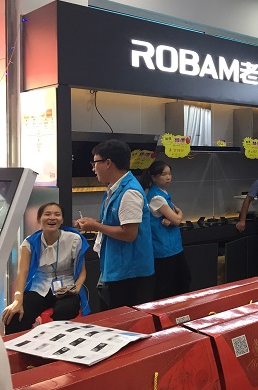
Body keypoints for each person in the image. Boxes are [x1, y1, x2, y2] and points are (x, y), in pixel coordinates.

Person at [77, 139, 154, 309]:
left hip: (130, 274)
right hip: (117, 268)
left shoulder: (129, 192)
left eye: (95, 163)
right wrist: (94, 222)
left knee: (126, 319)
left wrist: (96, 227)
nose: (93, 168)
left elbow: (129, 234)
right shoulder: (115, 188)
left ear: (108, 163)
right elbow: (117, 222)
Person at [2, 203, 89, 335]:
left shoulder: (74, 240)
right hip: (39, 287)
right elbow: (22, 272)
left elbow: (82, 272)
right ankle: (20, 347)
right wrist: (17, 300)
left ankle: (56, 344)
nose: (52, 218)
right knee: (15, 316)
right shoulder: (30, 243)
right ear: (39, 219)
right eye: (47, 214)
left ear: (62, 220)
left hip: (66, 288)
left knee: (65, 311)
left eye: (57, 214)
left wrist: (75, 289)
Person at [139, 160, 191, 300]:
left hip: (172, 246)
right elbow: (177, 218)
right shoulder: (156, 197)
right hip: (163, 249)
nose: (168, 177)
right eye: (164, 174)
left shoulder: (163, 193)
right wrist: (177, 216)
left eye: (169, 174)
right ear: (154, 177)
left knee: (182, 280)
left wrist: (173, 218)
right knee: (166, 286)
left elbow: (174, 216)